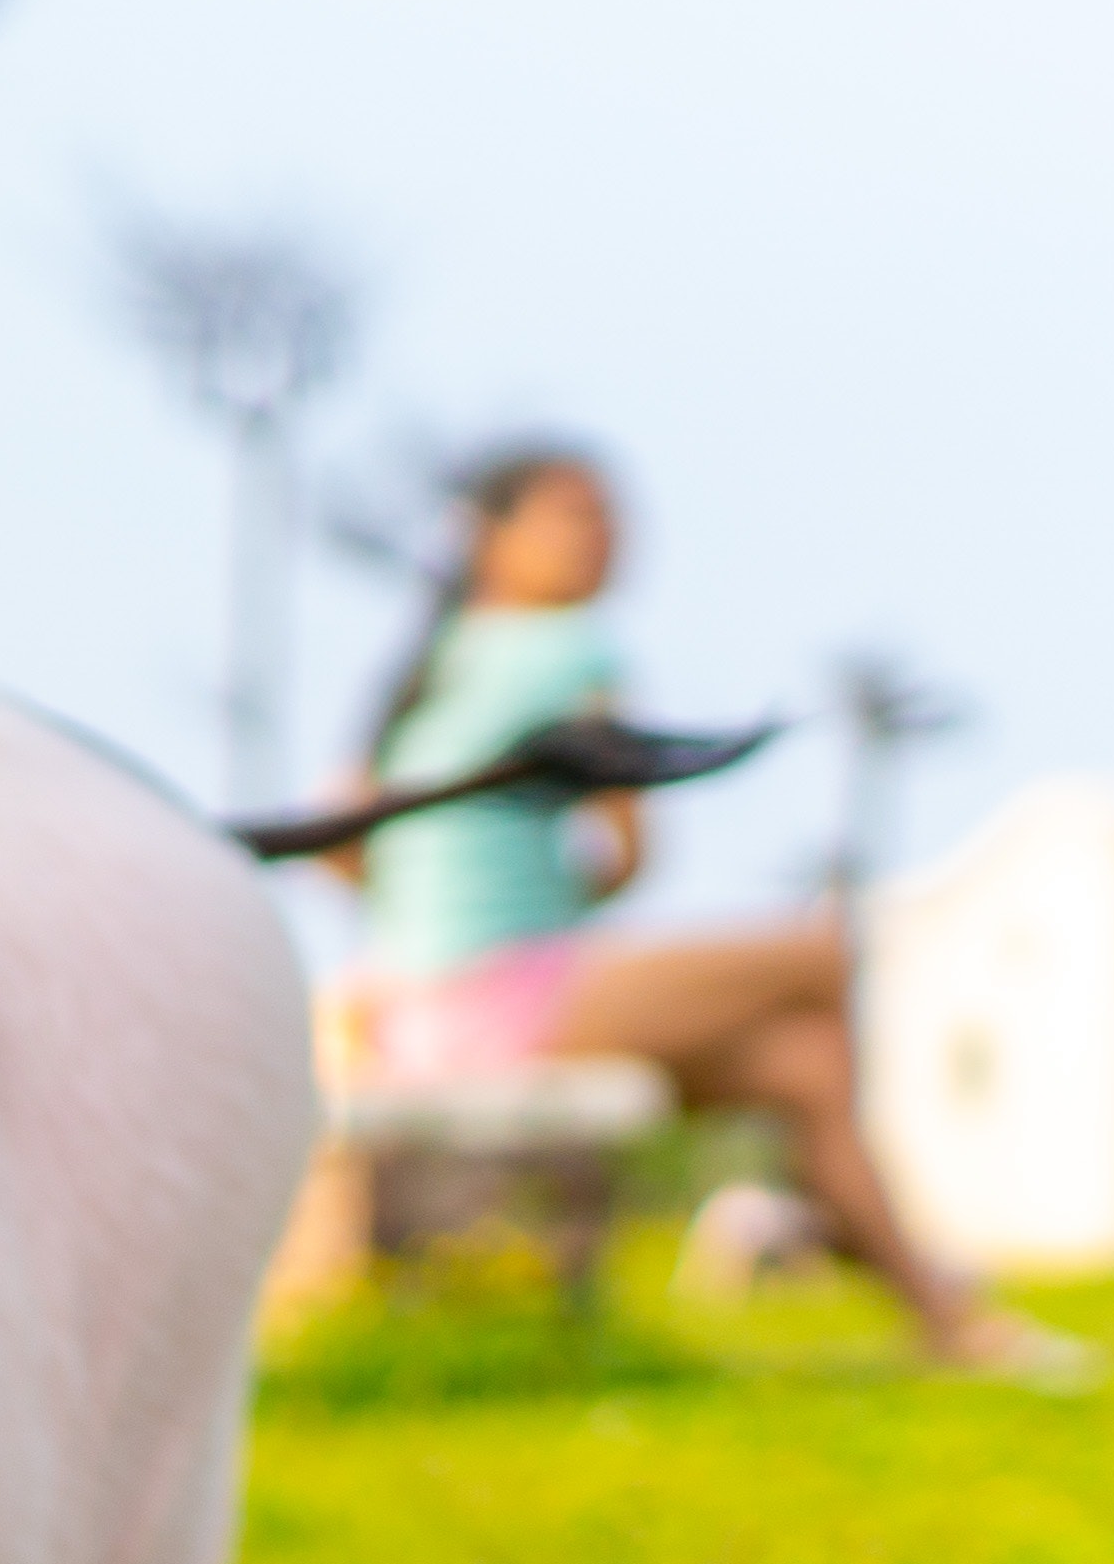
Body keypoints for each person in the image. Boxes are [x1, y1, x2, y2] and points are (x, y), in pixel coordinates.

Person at [335, 443, 1060, 1370]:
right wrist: (550, 896)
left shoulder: (429, 668)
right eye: (575, 515)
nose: (605, 538)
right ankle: (846, 1226)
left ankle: (943, 1315)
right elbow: (631, 855)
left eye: (611, 516)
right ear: (491, 537)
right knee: (823, 958)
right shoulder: (567, 648)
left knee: (803, 1066)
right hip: (500, 998)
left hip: (413, 1002)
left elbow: (343, 847)